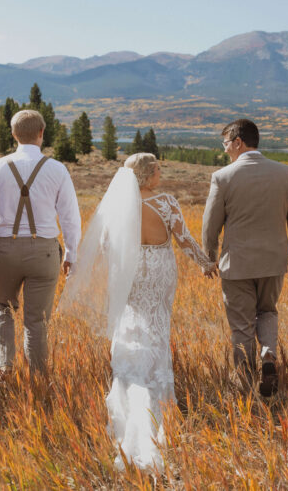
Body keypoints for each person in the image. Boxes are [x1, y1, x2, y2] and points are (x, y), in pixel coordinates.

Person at [60, 154, 215, 472]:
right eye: (157, 168)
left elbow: (104, 246)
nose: (161, 172)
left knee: (130, 325)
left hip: (129, 271)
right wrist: (205, 263)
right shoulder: (167, 202)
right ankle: (157, 395)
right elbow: (183, 239)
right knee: (157, 327)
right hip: (159, 269)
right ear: (146, 174)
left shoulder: (119, 204)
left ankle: (131, 383)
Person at [202, 119, 288, 396]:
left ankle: (245, 384)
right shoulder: (286, 173)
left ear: (238, 142)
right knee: (268, 310)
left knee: (241, 325)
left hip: (236, 264)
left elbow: (210, 223)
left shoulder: (223, 177)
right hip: (274, 261)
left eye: (226, 143)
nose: (224, 150)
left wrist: (208, 256)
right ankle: (269, 356)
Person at [0, 109, 81, 376]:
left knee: (3, 308)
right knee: (37, 320)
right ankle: (38, 377)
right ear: (42, 133)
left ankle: (5, 369)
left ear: (13, 134)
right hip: (44, 251)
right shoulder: (57, 169)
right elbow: (70, 217)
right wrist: (71, 253)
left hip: (6, 249)